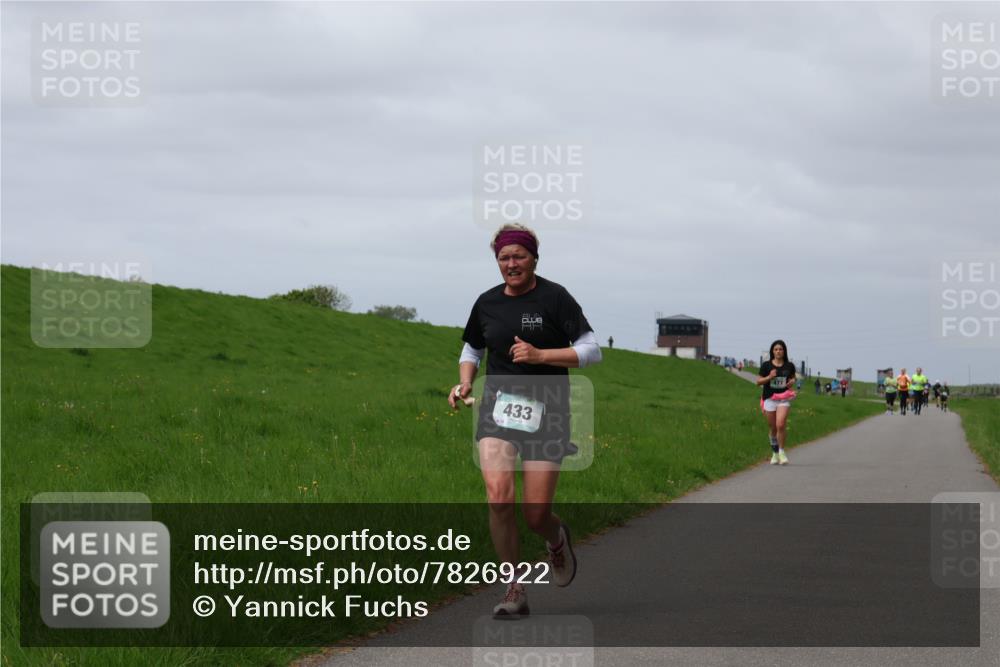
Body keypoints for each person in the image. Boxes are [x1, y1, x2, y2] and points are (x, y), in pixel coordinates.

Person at [449, 223, 602, 619]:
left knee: (535, 514)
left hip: (548, 408)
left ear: (534, 257)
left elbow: (591, 350)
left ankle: (555, 539)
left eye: (519, 256)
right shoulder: (486, 303)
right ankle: (514, 588)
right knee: (499, 495)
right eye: (504, 258)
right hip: (499, 408)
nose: (511, 264)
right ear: (496, 261)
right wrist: (465, 383)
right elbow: (472, 349)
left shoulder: (555, 297)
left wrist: (541, 357)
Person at [756, 339, 796, 465]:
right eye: (776, 349)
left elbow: (793, 377)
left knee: (781, 424)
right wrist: (769, 377)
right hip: (769, 398)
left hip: (783, 398)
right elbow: (758, 382)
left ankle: (782, 452)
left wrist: (792, 381)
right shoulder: (766, 366)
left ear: (784, 351)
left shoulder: (789, 366)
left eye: (781, 349)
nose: (778, 351)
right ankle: (775, 453)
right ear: (772, 351)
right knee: (773, 428)